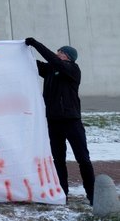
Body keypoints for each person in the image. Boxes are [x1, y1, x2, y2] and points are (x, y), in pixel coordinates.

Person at [25, 37, 95, 204]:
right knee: (58, 160)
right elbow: (32, 65)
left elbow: (52, 60)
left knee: (83, 159)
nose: (58, 54)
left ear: (68, 56)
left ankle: (92, 194)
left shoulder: (72, 69)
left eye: (61, 52)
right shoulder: (51, 70)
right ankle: (62, 194)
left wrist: (35, 43)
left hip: (72, 122)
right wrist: (18, 53)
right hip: (53, 122)